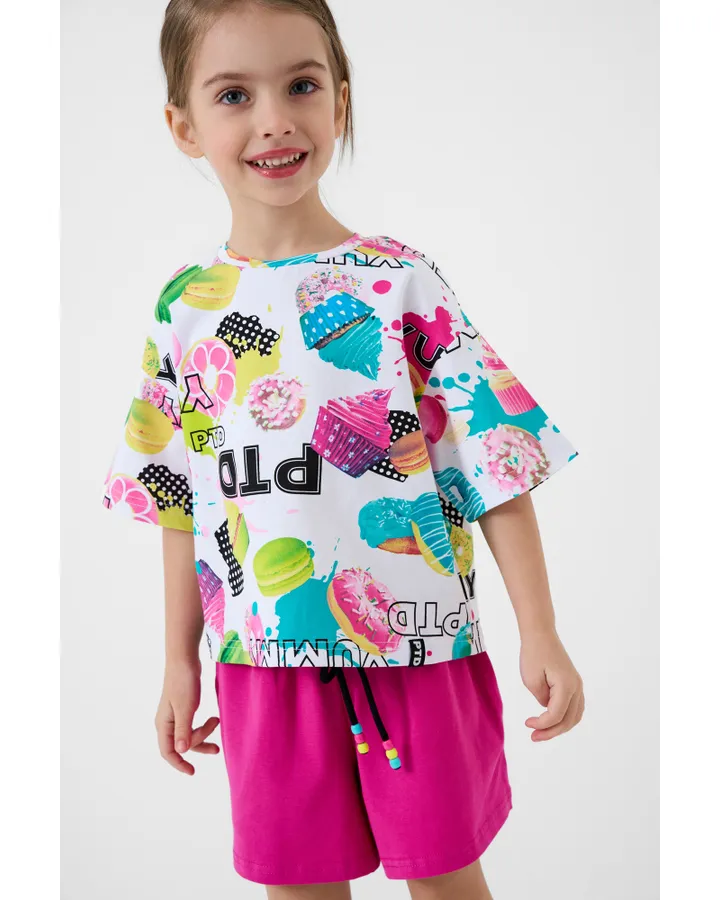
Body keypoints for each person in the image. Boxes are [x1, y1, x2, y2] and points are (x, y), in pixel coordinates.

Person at [101, 1, 585, 898]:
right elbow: (180, 501)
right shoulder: (184, 311)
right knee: (299, 885)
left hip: (420, 648)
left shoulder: (401, 282)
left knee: (445, 878)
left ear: (341, 101)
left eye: (301, 85)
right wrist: (178, 661)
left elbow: (495, 463)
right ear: (184, 126)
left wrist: (541, 630)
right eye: (234, 95)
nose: (274, 120)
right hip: (263, 660)